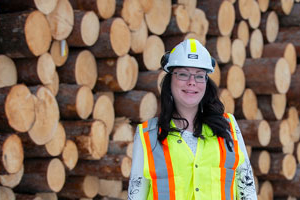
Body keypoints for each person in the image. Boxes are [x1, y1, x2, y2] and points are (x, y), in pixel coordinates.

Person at [128, 38, 257, 200]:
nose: (191, 82)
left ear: (206, 82)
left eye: (199, 76)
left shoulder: (228, 127)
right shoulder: (147, 135)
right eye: (183, 74)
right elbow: (135, 195)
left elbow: (247, 191)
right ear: (170, 80)